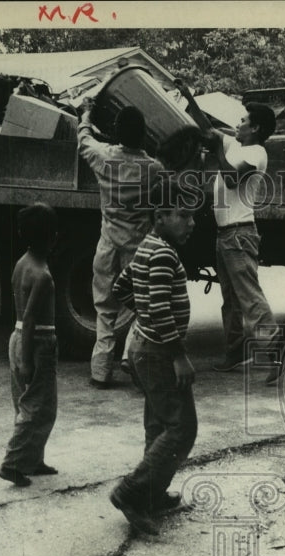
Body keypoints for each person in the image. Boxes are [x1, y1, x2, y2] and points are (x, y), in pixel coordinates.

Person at [110, 179, 198, 534]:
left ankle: (152, 493)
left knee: (159, 424)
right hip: (160, 353)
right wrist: (178, 355)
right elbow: (161, 310)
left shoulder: (147, 246)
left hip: (145, 348)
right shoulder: (163, 253)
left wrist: (143, 315)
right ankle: (132, 492)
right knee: (182, 428)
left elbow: (120, 288)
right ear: (161, 216)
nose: (191, 223)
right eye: (184, 216)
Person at [180, 87, 279, 373]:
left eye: (243, 121)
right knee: (232, 301)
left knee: (249, 298)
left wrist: (216, 154)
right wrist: (188, 97)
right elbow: (208, 130)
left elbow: (233, 180)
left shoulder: (257, 153)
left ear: (255, 128)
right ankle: (235, 351)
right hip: (226, 233)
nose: (238, 125)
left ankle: (277, 354)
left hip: (239, 234)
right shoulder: (235, 145)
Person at [78, 103, 165, 388]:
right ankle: (131, 357)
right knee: (143, 307)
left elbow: (85, 141)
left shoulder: (103, 158)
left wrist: (86, 117)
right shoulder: (153, 169)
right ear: (143, 135)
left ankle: (100, 372)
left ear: (115, 133)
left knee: (104, 309)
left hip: (107, 247)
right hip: (137, 250)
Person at [0, 203, 60, 487]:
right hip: (37, 342)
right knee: (40, 408)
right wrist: (28, 359)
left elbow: (22, 315)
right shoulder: (43, 275)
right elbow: (33, 316)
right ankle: (13, 463)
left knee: (25, 404)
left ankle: (32, 459)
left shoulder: (22, 263)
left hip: (17, 336)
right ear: (53, 237)